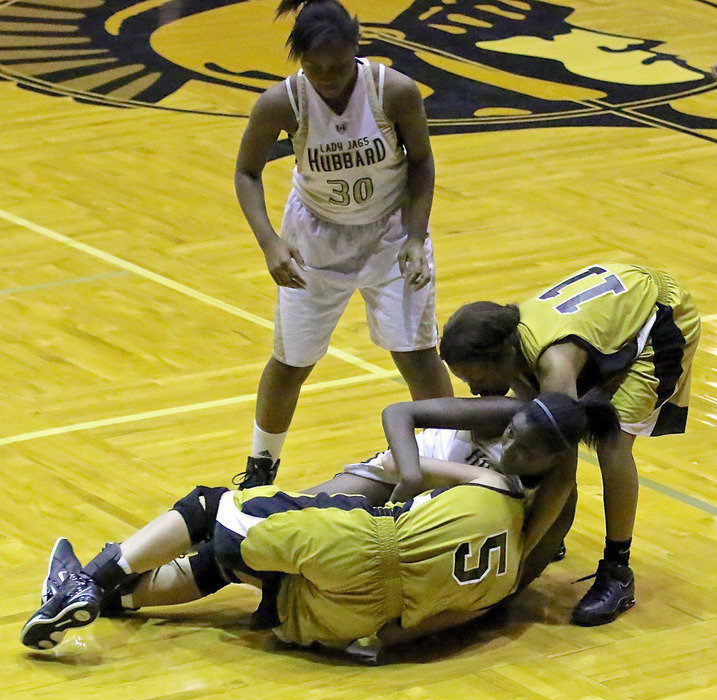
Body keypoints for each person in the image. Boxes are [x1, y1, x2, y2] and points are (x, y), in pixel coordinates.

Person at [21, 393, 619, 657]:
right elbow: (491, 598)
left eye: (520, 444)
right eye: (509, 434)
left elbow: (399, 464)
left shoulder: (498, 483)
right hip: (368, 616)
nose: (507, 447)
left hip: (370, 540)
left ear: (551, 459)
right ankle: (111, 600)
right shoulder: (525, 520)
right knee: (231, 562)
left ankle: (91, 580)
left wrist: (413, 479)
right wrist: (398, 638)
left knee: (213, 508)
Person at [234, 0, 453, 488]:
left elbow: (421, 161)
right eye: (315, 68)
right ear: (299, 60)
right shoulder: (281, 102)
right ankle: (259, 468)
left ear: (357, 47)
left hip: (392, 233)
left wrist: (416, 236)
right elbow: (246, 172)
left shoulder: (393, 90)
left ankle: (452, 463)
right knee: (291, 362)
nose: (328, 78)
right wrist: (270, 243)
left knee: (418, 356)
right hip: (314, 238)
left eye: (337, 66)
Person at [438, 262, 700, 625]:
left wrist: (525, 549)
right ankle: (548, 526)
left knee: (612, 442)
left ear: (502, 358)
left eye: (474, 377)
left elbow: (563, 474)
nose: (473, 389)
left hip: (661, 317)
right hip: (613, 310)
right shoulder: (509, 340)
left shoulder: (554, 365)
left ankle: (617, 571)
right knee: (533, 428)